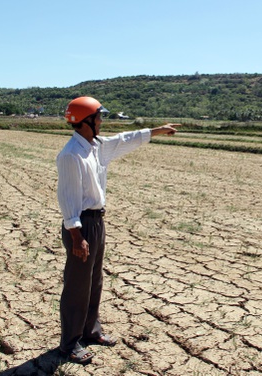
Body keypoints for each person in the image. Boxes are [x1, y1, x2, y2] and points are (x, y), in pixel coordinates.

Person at [56, 96, 179, 364]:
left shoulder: (97, 146)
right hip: (81, 225)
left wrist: (157, 130)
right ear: (86, 121)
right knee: (77, 285)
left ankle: (90, 331)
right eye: (99, 117)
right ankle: (70, 343)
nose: (102, 122)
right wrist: (77, 236)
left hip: (97, 222)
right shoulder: (70, 155)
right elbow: (67, 199)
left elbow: (126, 139)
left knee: (94, 281)